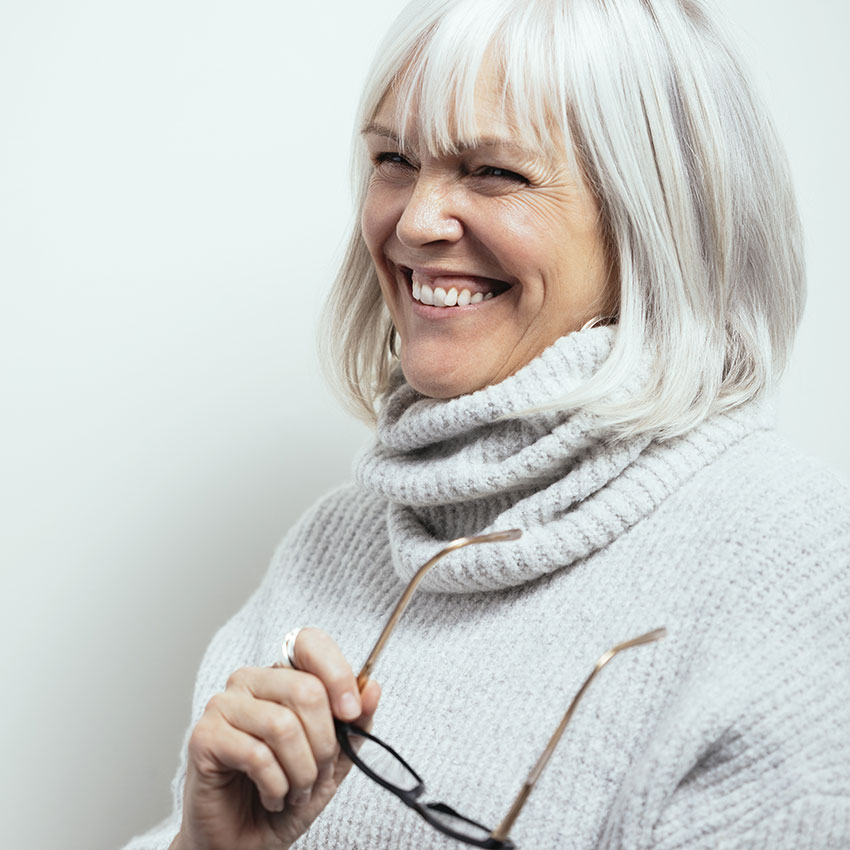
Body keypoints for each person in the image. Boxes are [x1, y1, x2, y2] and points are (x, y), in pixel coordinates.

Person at [124, 0, 850, 848]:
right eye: (394, 160)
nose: (414, 222)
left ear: (652, 216)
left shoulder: (794, 562)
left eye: (494, 172)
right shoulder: (332, 547)